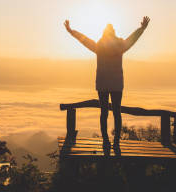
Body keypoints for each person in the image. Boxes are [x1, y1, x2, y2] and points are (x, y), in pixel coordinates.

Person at [64, 16, 150, 153]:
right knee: (117, 113)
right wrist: (142, 28)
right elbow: (132, 38)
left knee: (104, 113)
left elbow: (84, 40)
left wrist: (71, 31)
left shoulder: (99, 46)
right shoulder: (120, 45)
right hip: (116, 84)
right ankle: (116, 142)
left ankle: (105, 140)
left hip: (103, 84)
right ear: (113, 33)